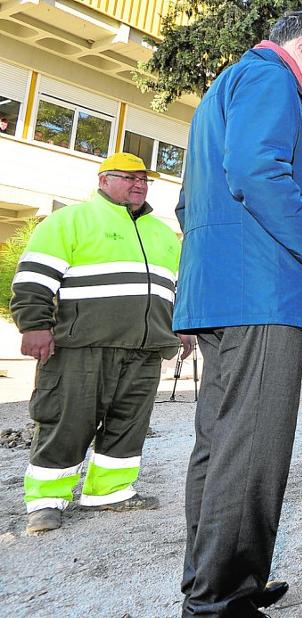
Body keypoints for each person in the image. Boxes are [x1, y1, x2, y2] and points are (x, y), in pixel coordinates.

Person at [174, 11, 302, 615]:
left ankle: (216, 579)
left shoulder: (227, 87)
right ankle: (222, 598)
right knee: (251, 446)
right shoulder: (271, 78)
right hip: (260, 294)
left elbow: (186, 200)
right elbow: (255, 170)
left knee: (219, 443)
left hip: (220, 293)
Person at [13, 152, 191, 535]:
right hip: (81, 347)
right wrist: (34, 326)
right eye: (127, 177)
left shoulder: (161, 234)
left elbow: (180, 289)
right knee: (66, 420)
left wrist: (184, 326)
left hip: (145, 350)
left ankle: (109, 491)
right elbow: (34, 278)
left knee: (129, 423)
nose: (138, 184)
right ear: (103, 181)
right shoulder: (71, 221)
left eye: (143, 179)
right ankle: (45, 501)